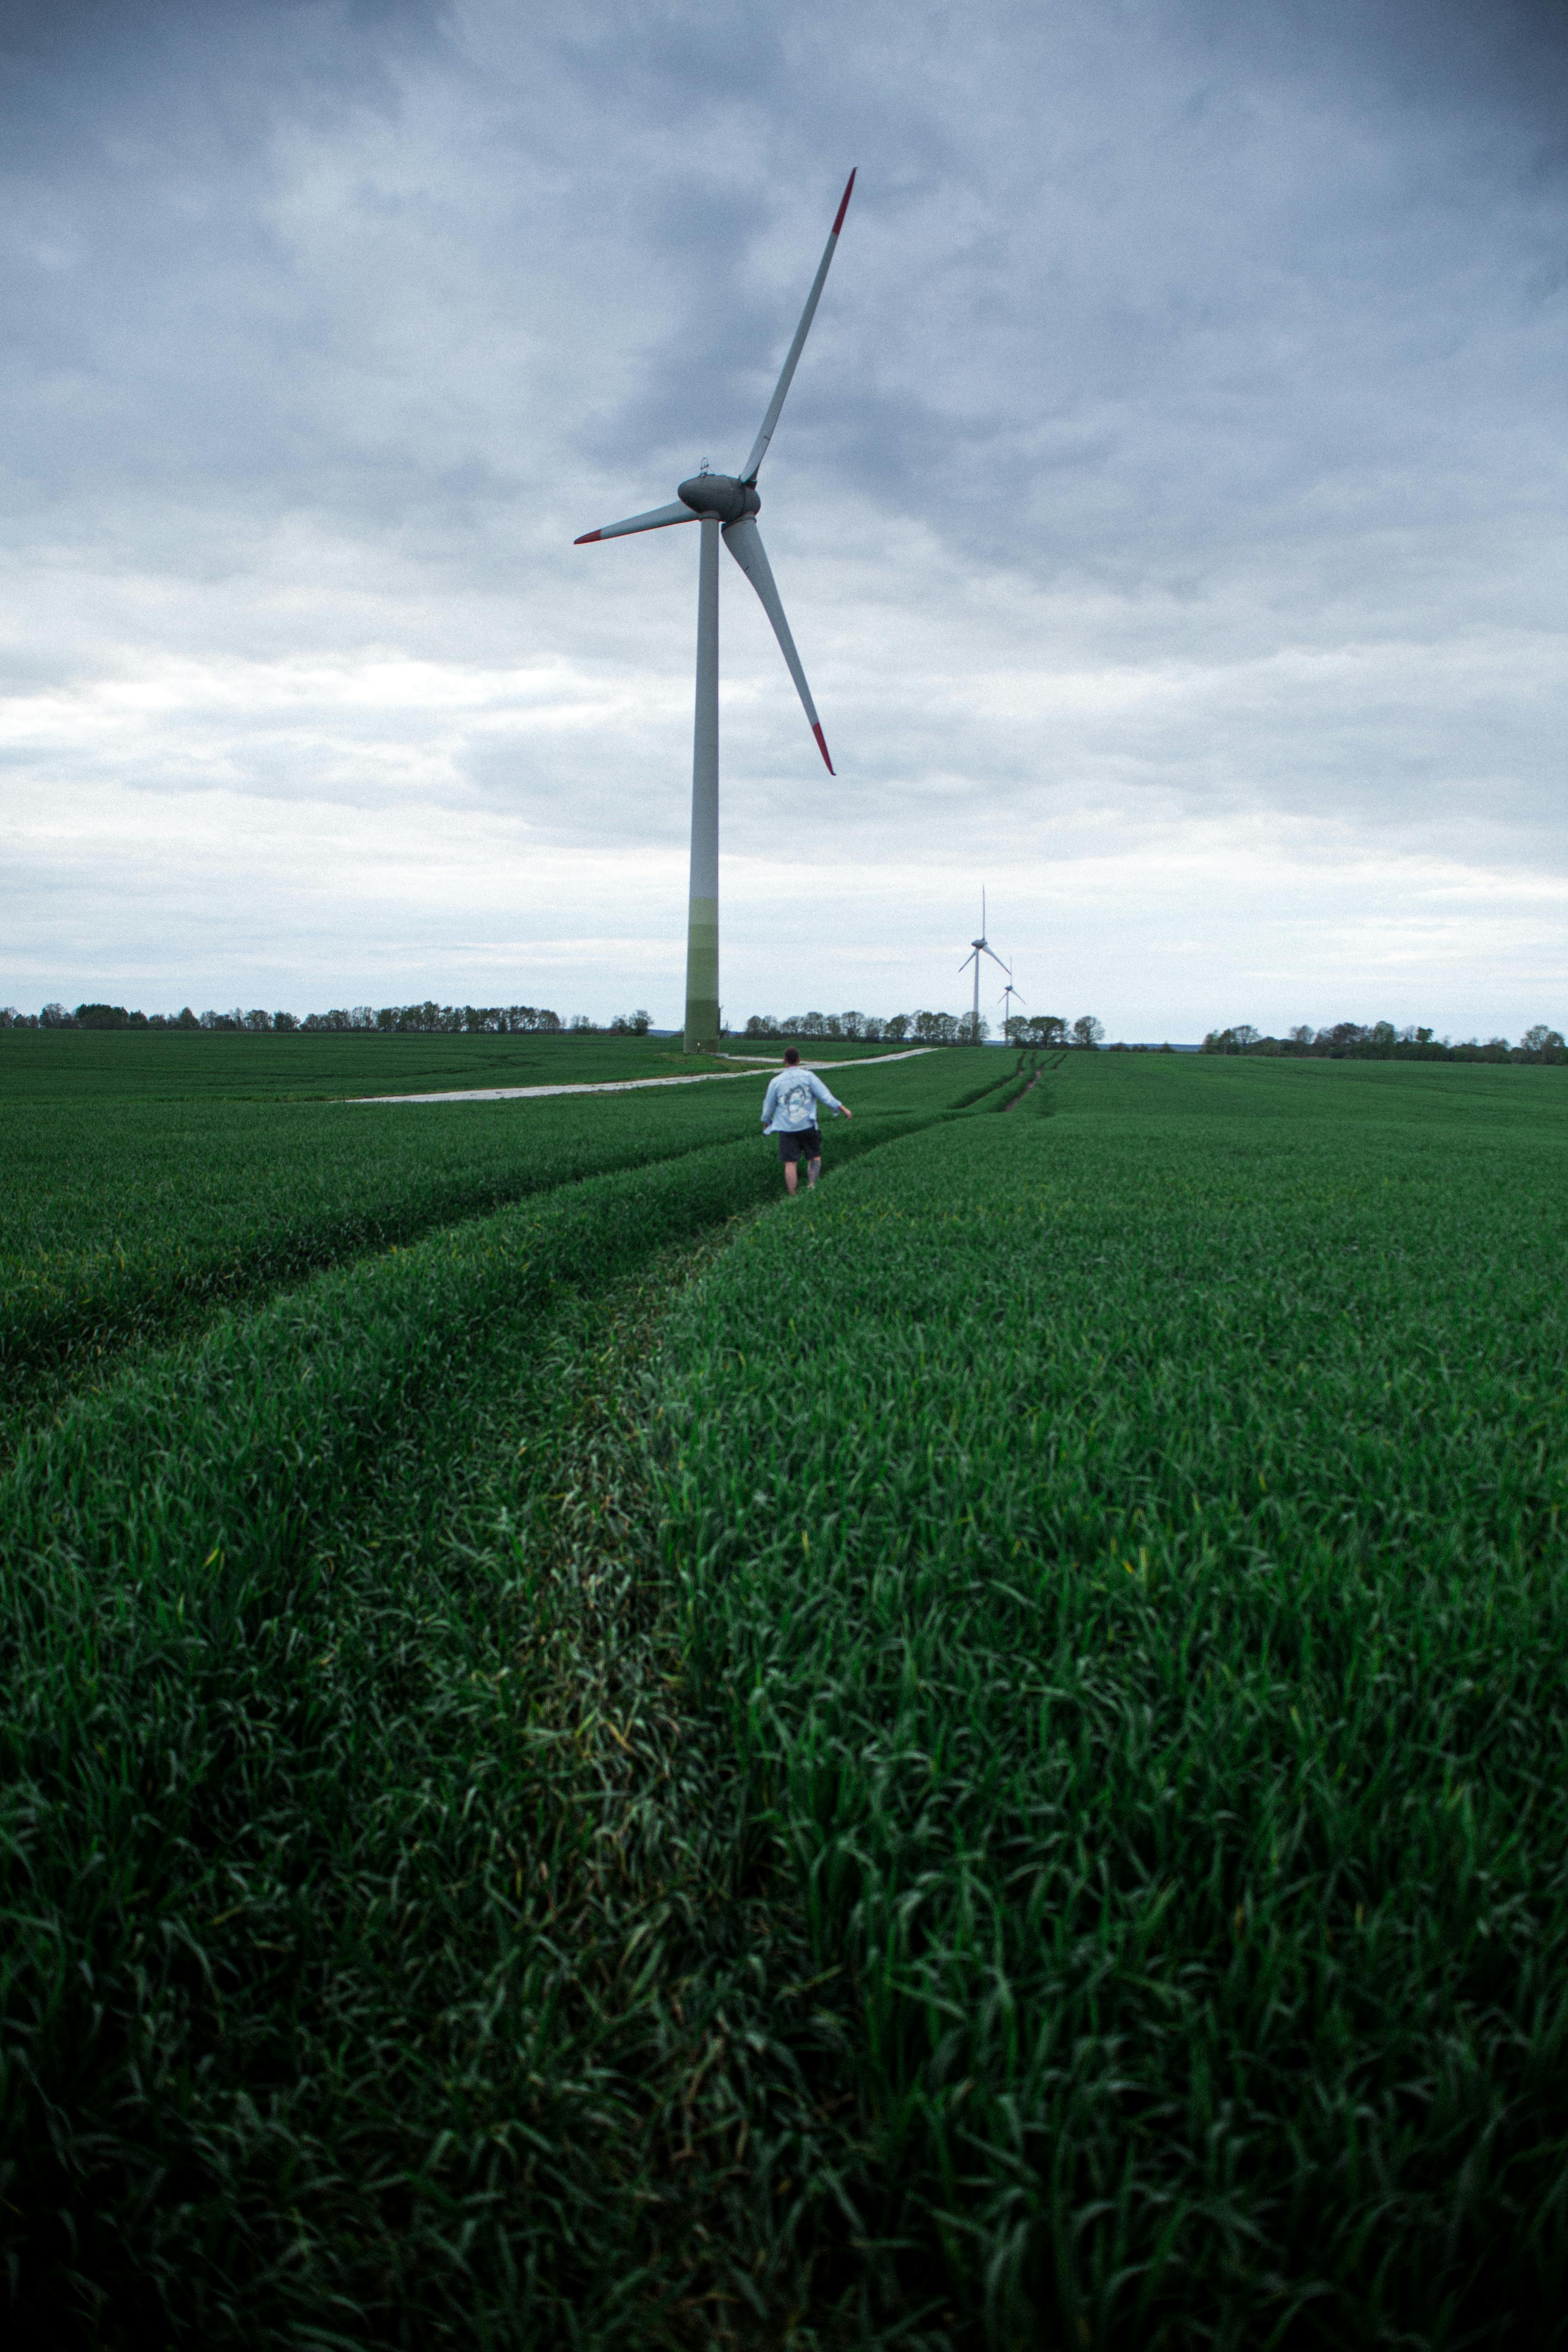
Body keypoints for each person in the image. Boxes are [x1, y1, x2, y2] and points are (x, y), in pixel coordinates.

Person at [760, 1046, 852, 1194]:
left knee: (790, 1163)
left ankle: (793, 1195)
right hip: (808, 1125)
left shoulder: (776, 1082)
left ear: (784, 1061)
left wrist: (766, 1121)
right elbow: (825, 1096)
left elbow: (768, 1106)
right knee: (814, 1157)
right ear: (799, 1060)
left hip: (786, 1128)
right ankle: (811, 1186)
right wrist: (842, 1109)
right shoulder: (809, 1077)